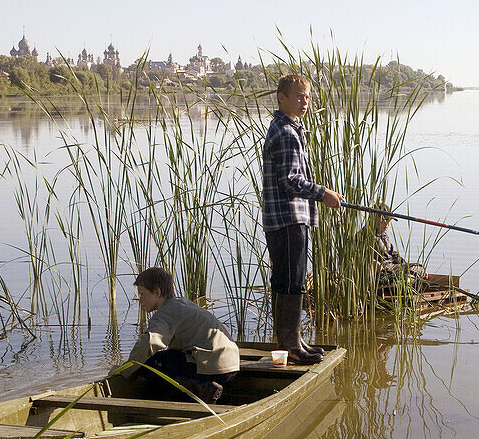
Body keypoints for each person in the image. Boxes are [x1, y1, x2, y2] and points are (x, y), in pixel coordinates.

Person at [262, 74, 343, 364]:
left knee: (286, 280)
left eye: (307, 96)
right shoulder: (286, 132)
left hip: (282, 219)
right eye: (298, 96)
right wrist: (323, 193)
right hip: (288, 218)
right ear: (281, 97)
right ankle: (292, 345)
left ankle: (292, 342)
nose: (304, 101)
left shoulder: (284, 128)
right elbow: (289, 180)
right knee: (292, 281)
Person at [118, 267, 240, 404]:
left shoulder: (166, 312)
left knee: (151, 364)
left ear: (157, 292)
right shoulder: (182, 303)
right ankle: (188, 392)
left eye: (142, 294)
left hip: (214, 368)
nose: (140, 300)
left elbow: (149, 343)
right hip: (231, 365)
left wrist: (125, 370)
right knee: (166, 358)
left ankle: (205, 389)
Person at [372, 205, 427, 291]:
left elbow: (394, 255)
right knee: (416, 269)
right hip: (384, 271)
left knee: (419, 268)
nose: (387, 225)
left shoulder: (384, 236)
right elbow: (356, 257)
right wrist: (372, 262)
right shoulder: (365, 235)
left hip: (394, 268)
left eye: (389, 221)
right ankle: (406, 285)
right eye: (384, 220)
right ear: (374, 217)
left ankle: (406, 283)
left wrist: (409, 266)